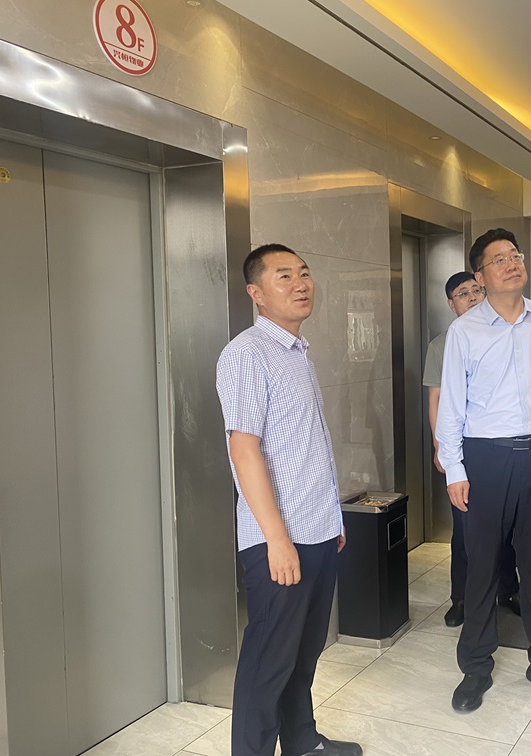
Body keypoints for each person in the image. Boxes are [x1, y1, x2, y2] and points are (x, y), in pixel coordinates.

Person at [216, 244, 362, 756]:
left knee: (303, 651)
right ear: (256, 293)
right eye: (284, 276)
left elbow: (305, 446)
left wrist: (331, 517)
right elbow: (244, 449)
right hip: (278, 538)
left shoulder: (297, 353)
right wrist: (277, 540)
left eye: (304, 273)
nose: (301, 283)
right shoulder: (247, 354)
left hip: (316, 529)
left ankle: (301, 741)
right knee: (269, 660)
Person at [437, 228, 531, 712]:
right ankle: (476, 667)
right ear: (480, 276)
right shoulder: (465, 331)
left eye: (515, 255)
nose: (511, 263)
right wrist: (455, 468)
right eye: (499, 259)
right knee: (482, 566)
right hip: (485, 459)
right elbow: (451, 406)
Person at [423, 271, 520, 627]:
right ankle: (461, 599)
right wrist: (440, 447)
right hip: (462, 451)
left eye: (477, 290)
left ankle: (508, 590)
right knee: (465, 528)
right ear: (451, 305)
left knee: (506, 525)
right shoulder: (442, 344)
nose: (474, 297)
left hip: (501, 450)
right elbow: (436, 400)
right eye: (464, 294)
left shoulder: (505, 335)